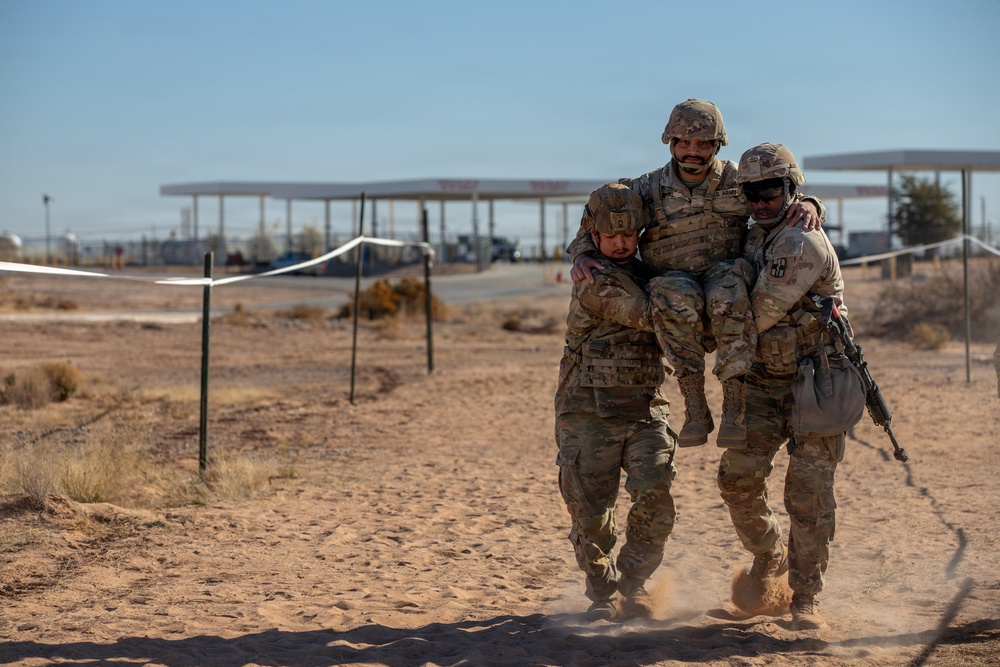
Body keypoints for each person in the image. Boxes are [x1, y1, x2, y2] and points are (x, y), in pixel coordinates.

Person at [569, 99, 825, 449]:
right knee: (670, 293)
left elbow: (782, 192)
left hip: (723, 273)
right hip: (672, 279)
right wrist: (582, 251)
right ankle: (694, 403)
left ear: (717, 144)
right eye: (684, 143)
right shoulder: (647, 187)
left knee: (730, 290)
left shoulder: (738, 180)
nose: (693, 151)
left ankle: (733, 402)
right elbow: (599, 212)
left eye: (703, 143)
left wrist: (812, 204)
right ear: (670, 143)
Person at [717, 143, 849, 630]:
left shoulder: (801, 241)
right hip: (763, 383)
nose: (760, 201)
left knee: (808, 493)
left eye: (770, 190)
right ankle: (768, 553)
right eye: (751, 192)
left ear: (792, 189)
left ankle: (805, 597)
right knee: (737, 480)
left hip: (816, 384)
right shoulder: (754, 238)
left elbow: (756, 316)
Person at [555, 182, 678, 622]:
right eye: (610, 237)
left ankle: (634, 584)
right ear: (595, 234)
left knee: (657, 499)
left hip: (645, 409)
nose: (621, 243)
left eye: (629, 236)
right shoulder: (593, 278)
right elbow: (648, 315)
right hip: (588, 413)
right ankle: (603, 593)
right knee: (590, 515)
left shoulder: (652, 272)